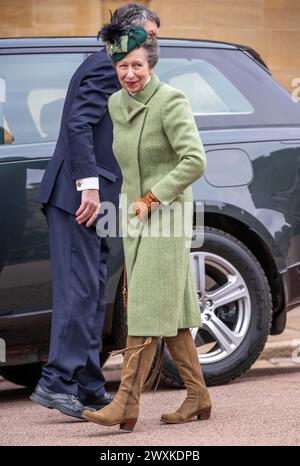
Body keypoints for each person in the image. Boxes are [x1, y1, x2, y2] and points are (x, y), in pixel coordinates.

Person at [29, 4, 160, 420]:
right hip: (78, 197)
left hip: (99, 199)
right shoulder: (108, 65)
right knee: (77, 292)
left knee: (90, 292)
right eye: (151, 34)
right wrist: (88, 186)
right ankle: (56, 383)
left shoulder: (117, 63)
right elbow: (78, 124)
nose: (156, 43)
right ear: (130, 32)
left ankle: (86, 385)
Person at [82, 19, 212, 432]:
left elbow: (194, 160)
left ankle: (126, 401)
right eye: (122, 65)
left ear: (150, 64)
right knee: (170, 312)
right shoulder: (115, 105)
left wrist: (154, 197)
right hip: (132, 218)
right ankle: (198, 396)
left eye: (136, 65)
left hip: (167, 215)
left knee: (142, 307)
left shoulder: (170, 101)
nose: (130, 73)